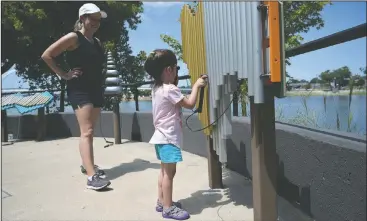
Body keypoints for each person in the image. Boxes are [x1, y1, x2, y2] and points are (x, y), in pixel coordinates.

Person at [41, 3, 111, 190]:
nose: (96, 22)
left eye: (98, 19)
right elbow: (47, 55)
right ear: (82, 19)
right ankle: (91, 177)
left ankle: (86, 165)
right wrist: (64, 74)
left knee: (90, 131)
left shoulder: (96, 42)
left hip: (95, 88)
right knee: (86, 131)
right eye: (93, 18)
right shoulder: (74, 37)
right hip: (80, 89)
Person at [144, 49, 207, 220]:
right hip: (169, 139)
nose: (177, 72)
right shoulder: (170, 89)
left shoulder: (157, 87)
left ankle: (161, 201)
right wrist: (196, 85)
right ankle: (168, 208)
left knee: (164, 172)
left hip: (160, 137)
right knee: (169, 174)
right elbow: (190, 104)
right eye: (176, 68)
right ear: (168, 70)